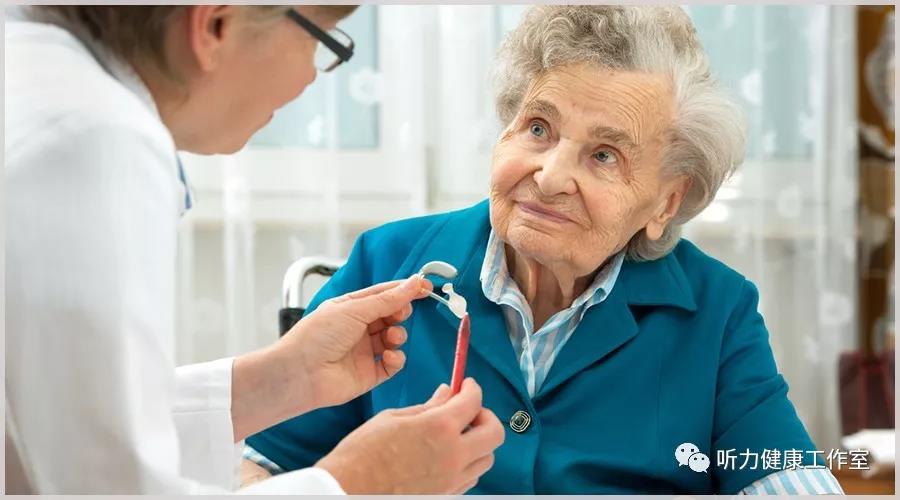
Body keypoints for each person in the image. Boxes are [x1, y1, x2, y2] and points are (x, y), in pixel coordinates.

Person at [243, 6, 844, 495]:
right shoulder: (388, 260)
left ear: (666, 201)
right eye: (538, 128)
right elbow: (261, 467)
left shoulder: (718, 310)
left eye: (604, 155)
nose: (551, 176)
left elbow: (785, 478)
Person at [5, 5, 503, 494]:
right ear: (215, 25)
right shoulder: (91, 141)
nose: (311, 77)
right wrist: (361, 480)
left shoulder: (47, 89)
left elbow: (62, 421)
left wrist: (282, 378)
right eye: (320, 41)